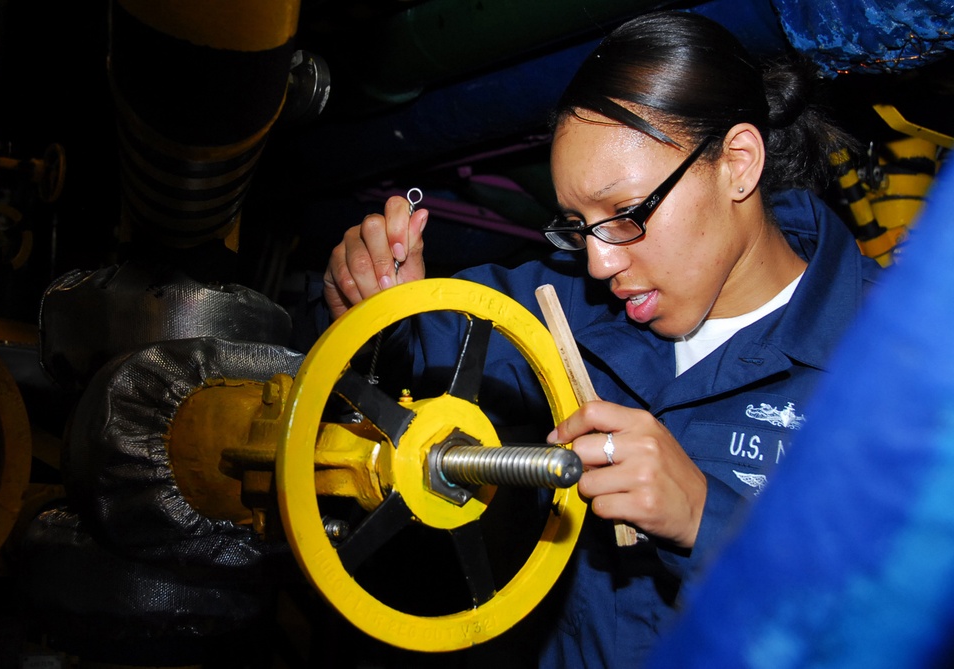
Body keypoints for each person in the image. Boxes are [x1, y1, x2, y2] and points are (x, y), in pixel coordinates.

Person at [313, 10, 881, 667]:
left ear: (739, 164)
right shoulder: (576, 310)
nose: (599, 264)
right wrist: (383, 301)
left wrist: (706, 518)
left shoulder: (900, 367)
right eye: (579, 225)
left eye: (625, 213)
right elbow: (434, 337)